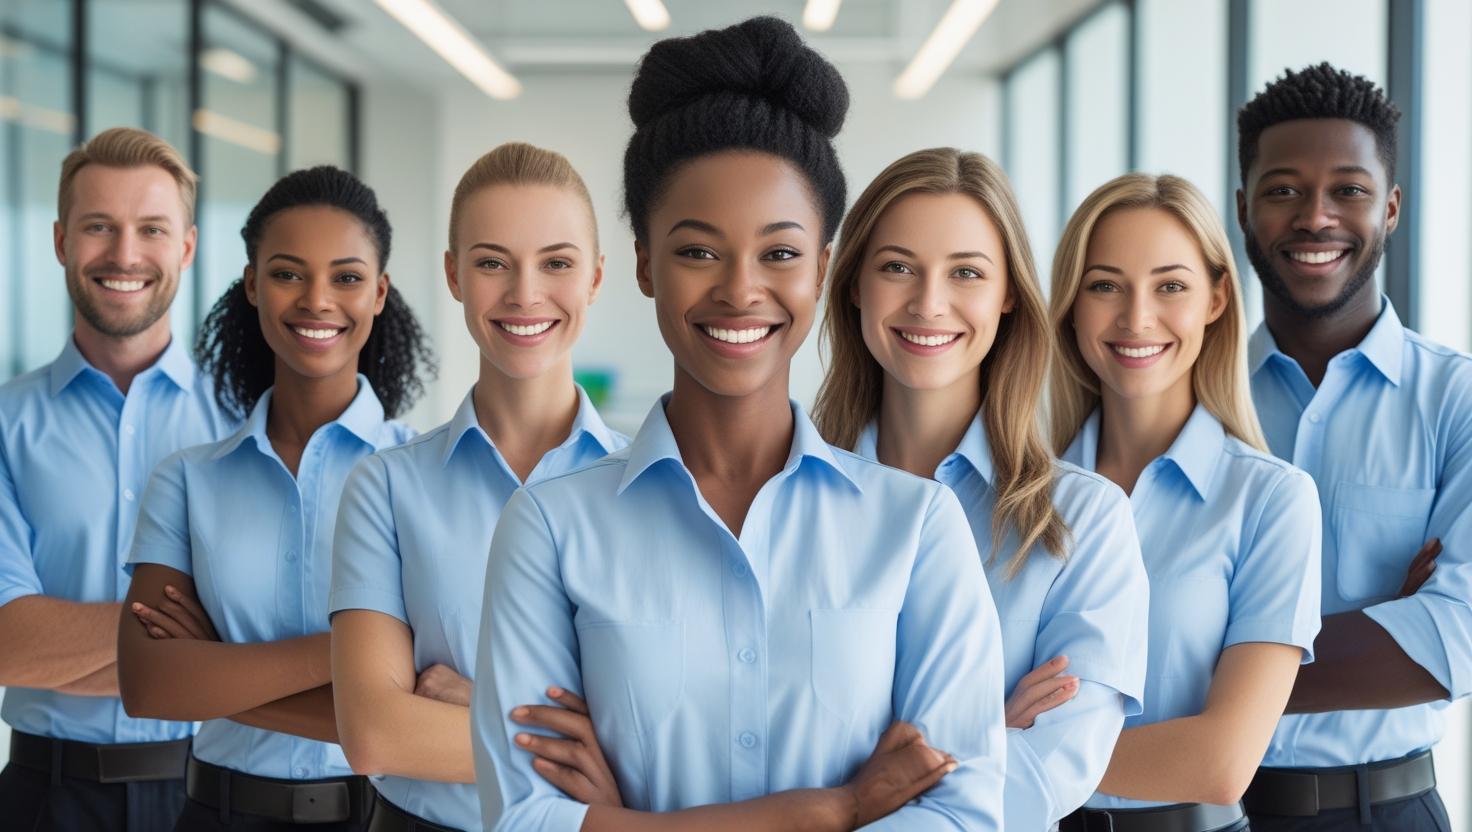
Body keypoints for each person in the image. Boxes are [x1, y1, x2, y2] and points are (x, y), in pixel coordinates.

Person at [470, 16, 1006, 832]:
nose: (739, 290)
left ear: (825, 268)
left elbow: (963, 816)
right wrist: (834, 811)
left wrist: (626, 824)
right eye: (697, 252)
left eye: (780, 254)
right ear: (645, 264)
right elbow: (521, 819)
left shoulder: (917, 528)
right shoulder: (549, 525)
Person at [811, 146, 1148, 831]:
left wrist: (836, 804)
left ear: (1008, 298)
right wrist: (981, 739)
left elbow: (1052, 772)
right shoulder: (782, 503)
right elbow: (733, 744)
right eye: (897, 267)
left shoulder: (1084, 521)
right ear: (853, 285)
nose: (928, 303)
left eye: (965, 272)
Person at [115, 166, 432, 830]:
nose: (317, 300)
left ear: (379, 293)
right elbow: (149, 685)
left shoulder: (428, 475)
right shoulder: (188, 479)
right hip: (215, 814)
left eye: (346, 277)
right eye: (289, 273)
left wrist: (215, 671)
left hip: (384, 816)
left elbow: (439, 707)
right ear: (253, 285)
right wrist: (367, 656)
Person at [330, 141, 627, 832]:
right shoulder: (386, 487)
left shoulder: (650, 487)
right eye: (493, 262)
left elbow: (672, 741)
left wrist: (474, 704)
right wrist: (574, 742)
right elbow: (375, 734)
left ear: (596, 278)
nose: (524, 293)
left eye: (556, 263)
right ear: (453, 274)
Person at [1235, 63, 1471, 832]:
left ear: (1391, 208)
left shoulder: (1457, 401)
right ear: (1243, 209)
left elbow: (1457, 638)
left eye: (1349, 190)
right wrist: (1385, 629)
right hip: (1197, 809)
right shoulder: (1185, 404)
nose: (1315, 217)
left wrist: (1202, 662)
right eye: (1283, 190)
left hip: (1386, 813)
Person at [1049, 173, 1322, 832]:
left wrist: (1001, 748)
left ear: (1217, 298)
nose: (1136, 318)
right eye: (1105, 285)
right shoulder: (1015, 495)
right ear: (1071, 305)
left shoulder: (1271, 500)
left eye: (1170, 286)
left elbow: (1222, 762)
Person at [0, 127, 236, 830]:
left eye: (151, 229)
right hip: (45, 799)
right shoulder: (5, 426)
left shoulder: (246, 422)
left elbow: (277, 629)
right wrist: (201, 646)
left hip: (216, 795)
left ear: (187, 247)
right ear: (60, 241)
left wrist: (66, 646)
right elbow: (8, 643)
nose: (125, 255)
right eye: (99, 226)